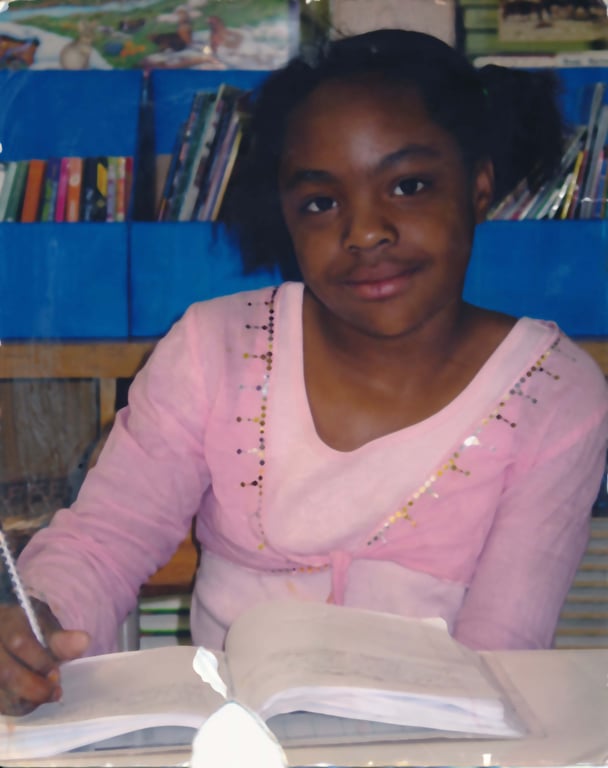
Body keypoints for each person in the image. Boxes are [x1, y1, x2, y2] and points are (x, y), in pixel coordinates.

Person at [1, 29, 607, 716]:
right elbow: (105, 540)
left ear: (478, 186)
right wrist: (40, 621)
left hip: (442, 745)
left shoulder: (555, 394)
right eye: (321, 202)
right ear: (286, 216)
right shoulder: (214, 347)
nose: (365, 232)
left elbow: (505, 649)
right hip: (232, 742)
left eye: (409, 186)